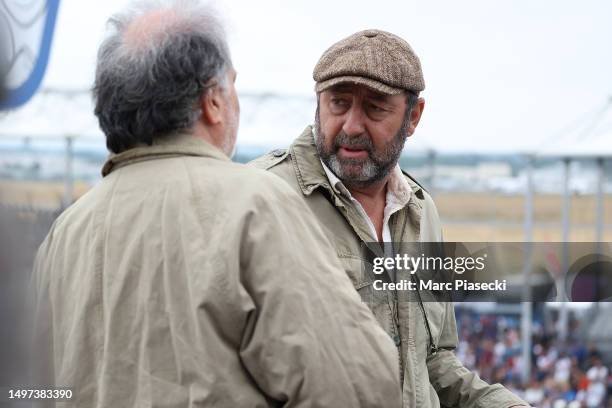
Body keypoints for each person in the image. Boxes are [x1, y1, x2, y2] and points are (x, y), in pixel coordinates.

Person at [30, 6, 403, 407]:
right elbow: (359, 387)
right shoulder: (255, 205)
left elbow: (34, 389)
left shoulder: (64, 234)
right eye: (232, 86)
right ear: (212, 101)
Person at [251, 29, 530, 408]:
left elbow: (431, 362)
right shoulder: (260, 197)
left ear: (413, 117)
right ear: (318, 104)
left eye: (375, 108)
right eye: (338, 103)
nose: (351, 125)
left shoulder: (420, 210)